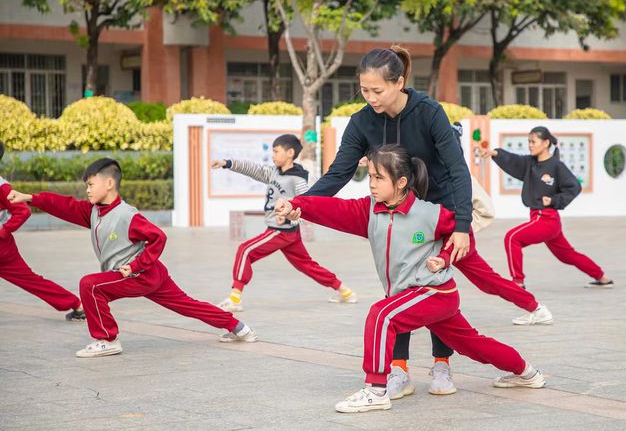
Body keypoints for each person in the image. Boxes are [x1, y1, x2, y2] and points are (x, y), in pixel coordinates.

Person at [276, 145, 546, 413]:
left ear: (402, 182)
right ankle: (528, 372)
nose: (372, 184)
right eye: (370, 176)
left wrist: (445, 257)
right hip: (415, 297)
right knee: (473, 345)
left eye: (379, 178)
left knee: (382, 315)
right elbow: (332, 208)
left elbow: (460, 235)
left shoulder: (430, 213)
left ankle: (375, 390)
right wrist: (296, 204)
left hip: (435, 293)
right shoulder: (368, 211)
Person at [9, 158, 257, 358]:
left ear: (109, 184)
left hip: (139, 274)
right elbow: (66, 206)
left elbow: (158, 237)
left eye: (90, 184)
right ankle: (240, 328)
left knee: (90, 285)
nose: (87, 190)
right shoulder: (95, 211)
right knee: (188, 305)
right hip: (151, 274)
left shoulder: (127, 215)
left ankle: (107, 339)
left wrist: (135, 266)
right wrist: (30, 198)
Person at [213, 134, 354, 312]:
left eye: (276, 151)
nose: (273, 155)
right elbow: (252, 169)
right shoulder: (273, 173)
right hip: (290, 235)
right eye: (272, 151)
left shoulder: (298, 180)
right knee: (308, 266)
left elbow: (307, 204)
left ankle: (234, 298)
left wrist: (288, 216)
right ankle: (345, 291)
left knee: (245, 250)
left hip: (280, 231)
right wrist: (227, 163)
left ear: (290, 153)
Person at [481, 126, 613, 289]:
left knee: (511, 238)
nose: (530, 145)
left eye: (533, 142)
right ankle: (603, 278)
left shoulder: (556, 166)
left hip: (546, 219)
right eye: (528, 142)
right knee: (567, 255)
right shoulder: (530, 163)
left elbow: (574, 187)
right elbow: (514, 160)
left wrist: (553, 200)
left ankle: (518, 282)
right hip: (541, 219)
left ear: (545, 143)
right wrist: (496, 153)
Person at [0, 141, 85, 321]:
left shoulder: (2, 187)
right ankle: (77, 305)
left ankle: (77, 304)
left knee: (30, 280)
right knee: (31, 280)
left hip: (2, 248)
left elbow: (22, 211)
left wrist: (3, 232)